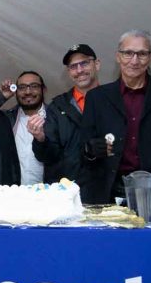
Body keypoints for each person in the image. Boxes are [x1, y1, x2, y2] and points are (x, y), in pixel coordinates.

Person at [79, 30, 151, 204]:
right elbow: (83, 150)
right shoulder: (97, 97)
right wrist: (91, 151)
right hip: (106, 194)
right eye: (128, 53)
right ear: (118, 56)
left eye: (142, 54)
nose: (134, 60)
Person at [27, 44, 101, 183]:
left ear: (97, 64)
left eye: (84, 63)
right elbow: (47, 156)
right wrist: (40, 139)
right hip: (67, 191)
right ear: (68, 72)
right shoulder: (57, 106)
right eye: (73, 66)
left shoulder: (113, 100)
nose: (79, 70)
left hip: (105, 189)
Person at [2, 71, 48, 185]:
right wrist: (1, 97)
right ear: (15, 91)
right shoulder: (6, 119)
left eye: (34, 86)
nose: (28, 92)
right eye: (22, 87)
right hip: (15, 193)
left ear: (43, 89)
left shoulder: (56, 117)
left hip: (49, 193)